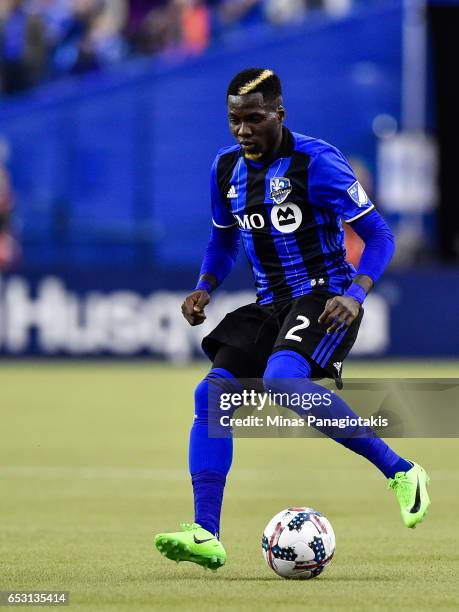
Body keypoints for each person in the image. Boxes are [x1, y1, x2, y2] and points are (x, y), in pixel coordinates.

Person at [154, 68, 430, 570]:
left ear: (279, 114)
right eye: (235, 120)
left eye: (254, 119)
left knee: (283, 379)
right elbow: (223, 240)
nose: (243, 130)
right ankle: (205, 534)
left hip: (324, 298)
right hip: (269, 305)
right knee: (209, 396)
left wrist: (356, 293)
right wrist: (204, 286)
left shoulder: (317, 162)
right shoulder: (224, 170)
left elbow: (380, 236)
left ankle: (402, 471)